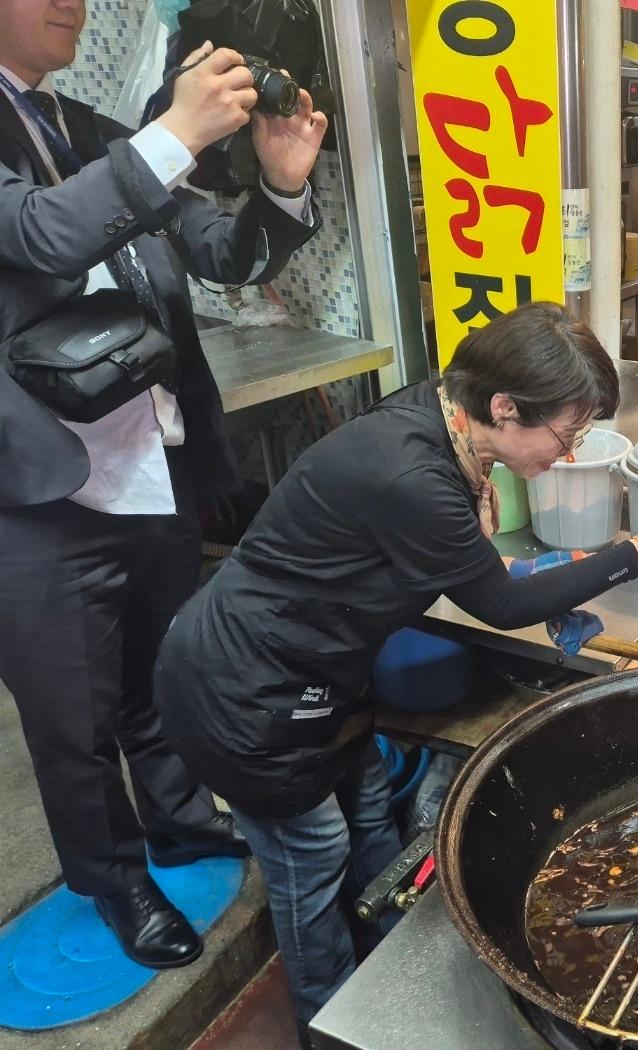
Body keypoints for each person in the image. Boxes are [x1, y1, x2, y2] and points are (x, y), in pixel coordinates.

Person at [153, 303, 638, 1037]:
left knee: (370, 815)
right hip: (246, 693)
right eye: (568, 434)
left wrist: (487, 508)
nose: (568, 455)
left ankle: (393, 971)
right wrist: (634, 554)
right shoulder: (412, 470)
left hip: (321, 678)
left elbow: (452, 559)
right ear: (504, 406)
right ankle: (330, 1024)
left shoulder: (444, 420)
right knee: (313, 860)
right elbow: (500, 602)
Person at [0, 1, 325, 969]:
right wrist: (177, 128)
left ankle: (181, 819)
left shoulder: (89, 131)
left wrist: (280, 182)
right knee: (72, 714)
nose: (76, 3)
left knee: (159, 671)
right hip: (35, 495)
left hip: (150, 461)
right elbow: (45, 233)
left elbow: (224, 254)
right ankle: (114, 878)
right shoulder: (113, 146)